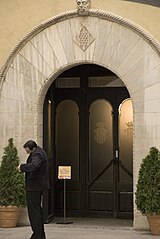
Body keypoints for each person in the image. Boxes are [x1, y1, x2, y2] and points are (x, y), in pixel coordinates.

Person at [17, 140, 50, 239]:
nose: (27, 153)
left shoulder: (37, 154)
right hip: (36, 187)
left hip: (34, 187)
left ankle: (37, 235)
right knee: (37, 211)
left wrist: (21, 167)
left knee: (34, 212)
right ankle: (39, 235)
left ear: (33, 148)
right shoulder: (39, 152)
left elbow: (34, 165)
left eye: (28, 151)